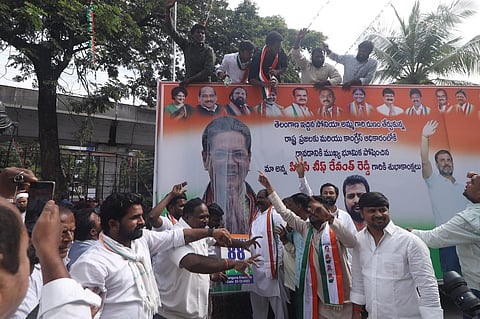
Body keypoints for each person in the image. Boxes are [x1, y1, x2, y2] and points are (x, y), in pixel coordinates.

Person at [70, 192, 233, 318]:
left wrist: (211, 232)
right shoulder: (92, 263)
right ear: (113, 224)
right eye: (134, 218)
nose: (142, 221)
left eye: (141, 216)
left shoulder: (141, 240)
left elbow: (175, 236)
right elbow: (81, 313)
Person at [258, 172, 356, 319]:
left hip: (341, 300)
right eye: (310, 209)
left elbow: (352, 242)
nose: (312, 212)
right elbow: (284, 212)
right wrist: (269, 187)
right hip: (317, 299)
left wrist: (329, 218)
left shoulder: (335, 228)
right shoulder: (305, 228)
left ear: (326, 211)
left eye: (317, 210)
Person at [154, 198, 260, 319]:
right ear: (187, 217)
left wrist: (243, 245)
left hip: (196, 314)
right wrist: (231, 263)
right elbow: (192, 263)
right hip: (171, 315)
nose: (205, 221)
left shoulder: (201, 233)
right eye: (201, 217)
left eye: (207, 217)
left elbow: (220, 240)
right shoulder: (174, 236)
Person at [350, 192, 443, 319]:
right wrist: (356, 311)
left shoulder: (410, 242)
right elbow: (358, 278)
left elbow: (427, 285)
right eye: (372, 211)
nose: (378, 215)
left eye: (382, 210)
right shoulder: (359, 240)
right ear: (362, 213)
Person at [410, 172, 480, 305]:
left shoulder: (469, 220)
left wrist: (407, 232)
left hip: (477, 287)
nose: (467, 183)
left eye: (472, 182)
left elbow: (432, 239)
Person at [420, 120, 468, 273]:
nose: (446, 163)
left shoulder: (465, 188)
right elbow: (424, 161)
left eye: (449, 160)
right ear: (436, 164)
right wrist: (425, 138)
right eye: (442, 160)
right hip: (448, 242)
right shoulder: (434, 182)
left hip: (468, 241)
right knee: (454, 284)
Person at [201, 116, 256, 234]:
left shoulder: (263, 208)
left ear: (249, 158)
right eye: (221, 154)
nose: (230, 163)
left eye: (238, 154)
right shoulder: (191, 210)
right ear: (205, 158)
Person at [248, 189, 288, 319]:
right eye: (257, 198)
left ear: (270, 199)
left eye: (261, 198)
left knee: (278, 305)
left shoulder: (275, 215)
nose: (258, 200)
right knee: (258, 306)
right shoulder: (256, 216)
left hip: (271, 267)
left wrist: (279, 264)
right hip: (256, 267)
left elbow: (280, 241)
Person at [164, 0, 215, 85]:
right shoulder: (187, 46)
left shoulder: (209, 50)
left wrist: (190, 80)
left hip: (204, 87)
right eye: (198, 32)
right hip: (188, 87)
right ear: (192, 35)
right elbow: (171, 31)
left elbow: (208, 70)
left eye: (203, 33)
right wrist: (167, 10)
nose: (200, 35)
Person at [248, 31, 288, 96]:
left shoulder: (281, 52)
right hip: (258, 91)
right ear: (269, 45)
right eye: (277, 47)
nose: (279, 49)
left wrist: (277, 71)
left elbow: (285, 68)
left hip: (275, 90)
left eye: (280, 46)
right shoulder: (257, 56)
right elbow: (251, 79)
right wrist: (265, 84)